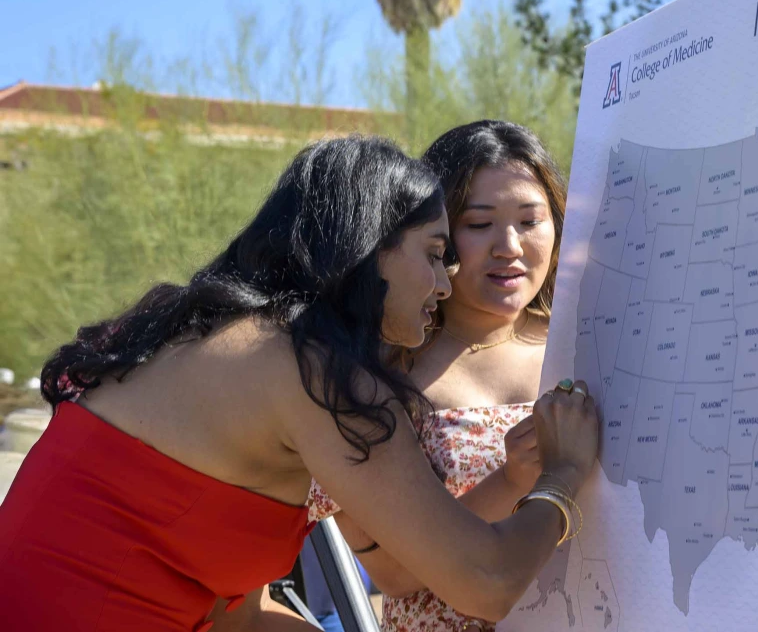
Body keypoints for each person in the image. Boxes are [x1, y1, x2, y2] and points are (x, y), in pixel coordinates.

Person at [0, 135, 598, 631]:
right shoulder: (317, 374)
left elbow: (242, 615)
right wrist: (563, 472)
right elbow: (487, 583)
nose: (445, 283)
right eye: (436, 252)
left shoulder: (216, 336)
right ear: (370, 249)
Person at [268, 119, 566, 632]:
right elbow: (393, 574)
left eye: (529, 220)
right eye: (479, 224)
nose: (509, 246)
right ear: (433, 234)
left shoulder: (595, 342)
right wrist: (512, 479)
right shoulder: (373, 374)